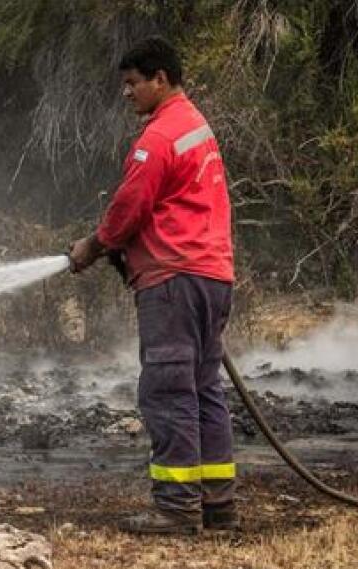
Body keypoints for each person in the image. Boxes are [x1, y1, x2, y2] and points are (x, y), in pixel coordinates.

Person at [68, 36, 237, 535]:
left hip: (173, 282)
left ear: (159, 78)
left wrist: (94, 246)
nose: (127, 93)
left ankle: (176, 508)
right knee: (205, 389)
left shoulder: (160, 137)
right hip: (211, 276)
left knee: (168, 392)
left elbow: (130, 207)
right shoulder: (196, 126)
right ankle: (217, 505)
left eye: (132, 83)